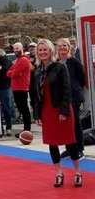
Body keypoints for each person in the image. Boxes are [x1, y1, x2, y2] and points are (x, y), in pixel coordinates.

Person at [33, 39, 82, 187]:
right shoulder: (37, 71)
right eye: (40, 50)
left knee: (70, 141)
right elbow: (35, 95)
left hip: (62, 109)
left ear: (50, 51)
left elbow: (67, 90)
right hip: (46, 110)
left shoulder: (60, 67)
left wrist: (64, 110)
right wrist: (37, 115)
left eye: (45, 50)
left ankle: (78, 171)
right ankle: (58, 173)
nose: (42, 52)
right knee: (52, 142)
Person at [56, 38, 86, 160]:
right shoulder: (56, 62)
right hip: (62, 99)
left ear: (69, 48)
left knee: (76, 123)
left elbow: (82, 78)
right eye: (60, 46)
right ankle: (69, 149)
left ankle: (79, 149)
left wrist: (75, 89)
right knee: (66, 125)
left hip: (74, 97)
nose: (62, 48)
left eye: (64, 46)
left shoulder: (74, 61)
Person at [7, 42, 32, 137]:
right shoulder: (17, 60)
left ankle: (27, 129)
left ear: (22, 48)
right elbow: (9, 73)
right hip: (16, 87)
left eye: (17, 48)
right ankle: (26, 129)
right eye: (14, 48)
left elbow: (13, 73)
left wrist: (13, 73)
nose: (16, 50)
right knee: (22, 108)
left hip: (22, 87)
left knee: (24, 109)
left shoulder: (24, 60)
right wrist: (13, 73)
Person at [27, 42, 38, 113]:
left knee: (39, 98)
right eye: (30, 47)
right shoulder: (27, 57)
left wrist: (30, 64)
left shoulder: (39, 56)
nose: (32, 48)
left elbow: (33, 68)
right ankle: (35, 115)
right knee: (32, 99)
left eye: (33, 47)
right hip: (30, 81)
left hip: (38, 81)